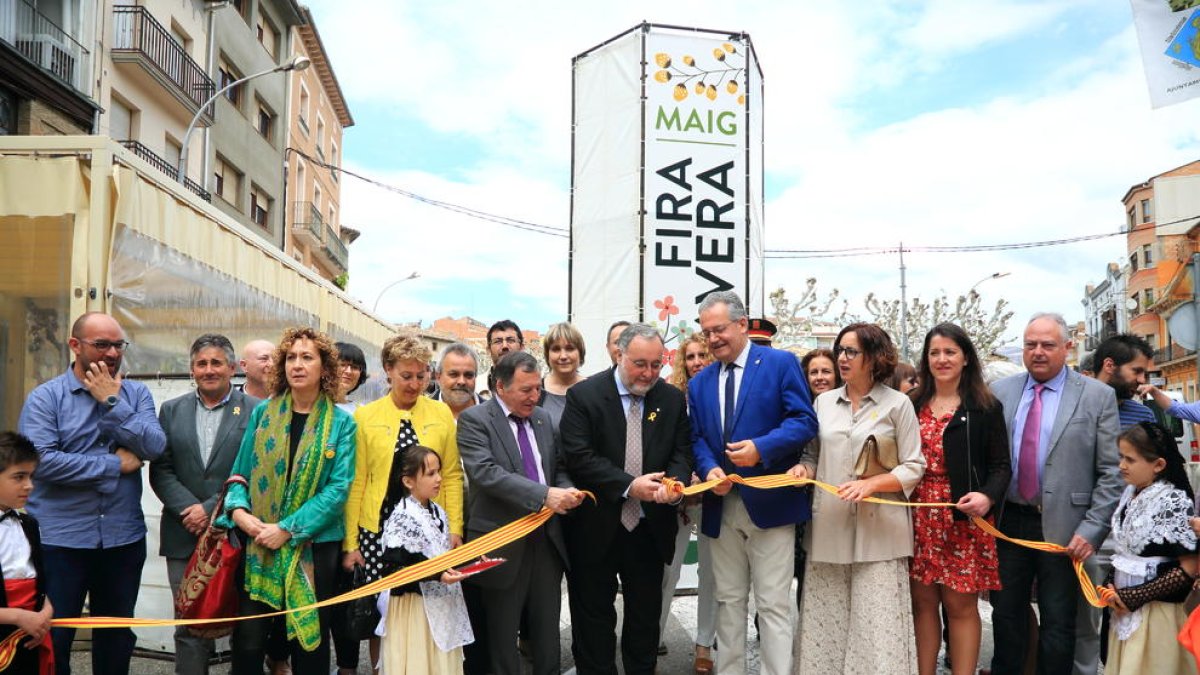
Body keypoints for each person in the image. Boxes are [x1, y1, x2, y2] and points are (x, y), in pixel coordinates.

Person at [18, 311, 166, 674]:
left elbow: (155, 445)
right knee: (54, 637)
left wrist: (112, 401)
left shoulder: (135, 393)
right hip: (60, 540)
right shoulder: (46, 399)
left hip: (121, 539)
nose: (113, 353)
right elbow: (43, 462)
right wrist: (115, 466)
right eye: (102, 344)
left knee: (115, 637)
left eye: (118, 345)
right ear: (75, 345)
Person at [689, 291, 817, 675]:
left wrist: (762, 449)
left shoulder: (780, 364)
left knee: (774, 603)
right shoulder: (699, 383)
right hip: (720, 506)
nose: (712, 339)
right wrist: (711, 470)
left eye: (720, 330)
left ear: (742, 324)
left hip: (771, 504)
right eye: (706, 332)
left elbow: (804, 421)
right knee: (728, 602)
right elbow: (696, 438)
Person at [988, 312, 1122, 675]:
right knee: (1006, 616)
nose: (1038, 352)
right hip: (1009, 523)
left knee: (1059, 623)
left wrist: (1092, 529)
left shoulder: (1097, 396)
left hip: (1068, 529)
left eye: (1048, 345)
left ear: (1067, 347)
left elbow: (1112, 472)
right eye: (1031, 345)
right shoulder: (1000, 393)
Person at [789, 322, 925, 674]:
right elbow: (811, 456)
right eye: (840, 351)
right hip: (830, 528)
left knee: (876, 631)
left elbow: (914, 465)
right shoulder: (821, 403)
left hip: (881, 534)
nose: (842, 358)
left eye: (851, 351)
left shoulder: (898, 405)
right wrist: (803, 471)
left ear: (874, 357)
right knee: (826, 626)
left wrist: (874, 484)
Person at [220, 327, 357, 674]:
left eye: (307, 357)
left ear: (325, 368)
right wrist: (240, 514)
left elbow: (338, 489)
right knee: (250, 640)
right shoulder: (263, 414)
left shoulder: (342, 424)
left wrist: (286, 529)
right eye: (291, 357)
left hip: (314, 546)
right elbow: (239, 474)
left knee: (308, 643)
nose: (297, 364)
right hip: (259, 542)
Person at [560, 323, 692, 674]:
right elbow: (579, 457)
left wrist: (674, 486)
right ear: (619, 355)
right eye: (639, 364)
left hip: (649, 528)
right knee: (593, 622)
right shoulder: (584, 396)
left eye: (656, 364)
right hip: (596, 526)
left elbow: (681, 453)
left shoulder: (671, 398)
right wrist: (629, 486)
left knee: (645, 621)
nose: (649, 373)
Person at [338, 333, 464, 674]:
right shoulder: (365, 417)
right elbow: (357, 482)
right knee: (385, 608)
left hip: (429, 529)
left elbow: (450, 476)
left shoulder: (440, 414)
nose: (414, 383)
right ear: (388, 371)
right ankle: (386, 668)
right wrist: (351, 543)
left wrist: (455, 528)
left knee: (427, 603)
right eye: (406, 376)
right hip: (377, 530)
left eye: (421, 375)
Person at [457, 351, 585, 675]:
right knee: (502, 638)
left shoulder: (542, 419)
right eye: (526, 389)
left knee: (546, 634)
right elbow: (485, 473)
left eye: (538, 388)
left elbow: (557, 467)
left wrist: (567, 489)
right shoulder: (476, 420)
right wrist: (545, 495)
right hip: (502, 542)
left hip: (546, 542)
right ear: (500, 387)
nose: (535, 396)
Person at [150, 334, 259, 675]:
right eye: (201, 363)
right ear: (192, 369)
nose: (208, 370)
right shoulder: (171, 410)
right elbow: (161, 469)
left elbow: (257, 470)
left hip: (237, 534)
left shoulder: (257, 411)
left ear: (231, 367)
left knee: (245, 626)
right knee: (189, 626)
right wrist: (190, 510)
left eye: (216, 363)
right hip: (184, 532)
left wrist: (211, 508)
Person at [907, 323, 1011, 675]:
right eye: (934, 352)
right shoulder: (912, 403)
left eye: (950, 352)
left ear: (966, 357)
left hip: (963, 517)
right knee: (922, 603)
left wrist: (986, 497)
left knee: (960, 606)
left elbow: (1001, 467)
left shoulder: (984, 406)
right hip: (918, 515)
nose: (942, 359)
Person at [1102, 422, 1197, 674]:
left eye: (1130, 460)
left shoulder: (1172, 500)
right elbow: (1125, 553)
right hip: (1125, 609)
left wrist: (1137, 595)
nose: (1122, 465)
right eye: (1120, 457)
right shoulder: (1131, 492)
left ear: (1158, 465)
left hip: (1158, 614)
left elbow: (1190, 566)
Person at [377, 446, 473, 674]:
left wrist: (475, 559)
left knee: (441, 662)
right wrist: (437, 574)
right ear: (408, 482)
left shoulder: (438, 511)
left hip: (440, 600)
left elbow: (440, 554)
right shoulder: (402, 516)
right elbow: (397, 567)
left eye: (438, 471)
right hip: (414, 609)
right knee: (419, 662)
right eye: (430, 474)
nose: (439, 478)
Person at [662, 332, 717, 674]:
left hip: (713, 495)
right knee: (667, 570)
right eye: (691, 356)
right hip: (680, 497)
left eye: (703, 355)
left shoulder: (720, 395)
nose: (697, 362)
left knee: (710, 572)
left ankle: (704, 644)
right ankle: (652, 636)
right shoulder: (672, 398)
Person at [0, 432, 54, 674]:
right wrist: (18, 617)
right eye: (19, 477)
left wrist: (45, 614)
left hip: (29, 632)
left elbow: (40, 578)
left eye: (31, 476)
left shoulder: (29, 524)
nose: (29, 485)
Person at [1092, 334, 1156, 429]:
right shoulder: (1072, 410)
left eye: (1145, 374)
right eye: (1137, 371)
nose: (1142, 380)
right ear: (1109, 366)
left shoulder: (1144, 416)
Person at [540, 322, 587, 429]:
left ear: (580, 352)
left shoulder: (594, 391)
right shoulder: (536, 391)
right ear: (547, 355)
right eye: (556, 349)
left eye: (570, 348)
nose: (563, 356)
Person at [435, 343, 482, 420]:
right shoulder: (420, 412)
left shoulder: (495, 413)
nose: (462, 381)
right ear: (438, 376)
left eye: (468, 375)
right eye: (454, 374)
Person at [484, 319, 524, 393]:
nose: (505, 346)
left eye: (511, 340)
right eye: (498, 341)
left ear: (521, 348)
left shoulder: (537, 389)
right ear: (488, 349)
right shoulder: (476, 387)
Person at [334, 341, 369, 414]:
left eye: (355, 367)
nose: (348, 371)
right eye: (343, 365)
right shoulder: (311, 405)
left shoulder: (362, 411)